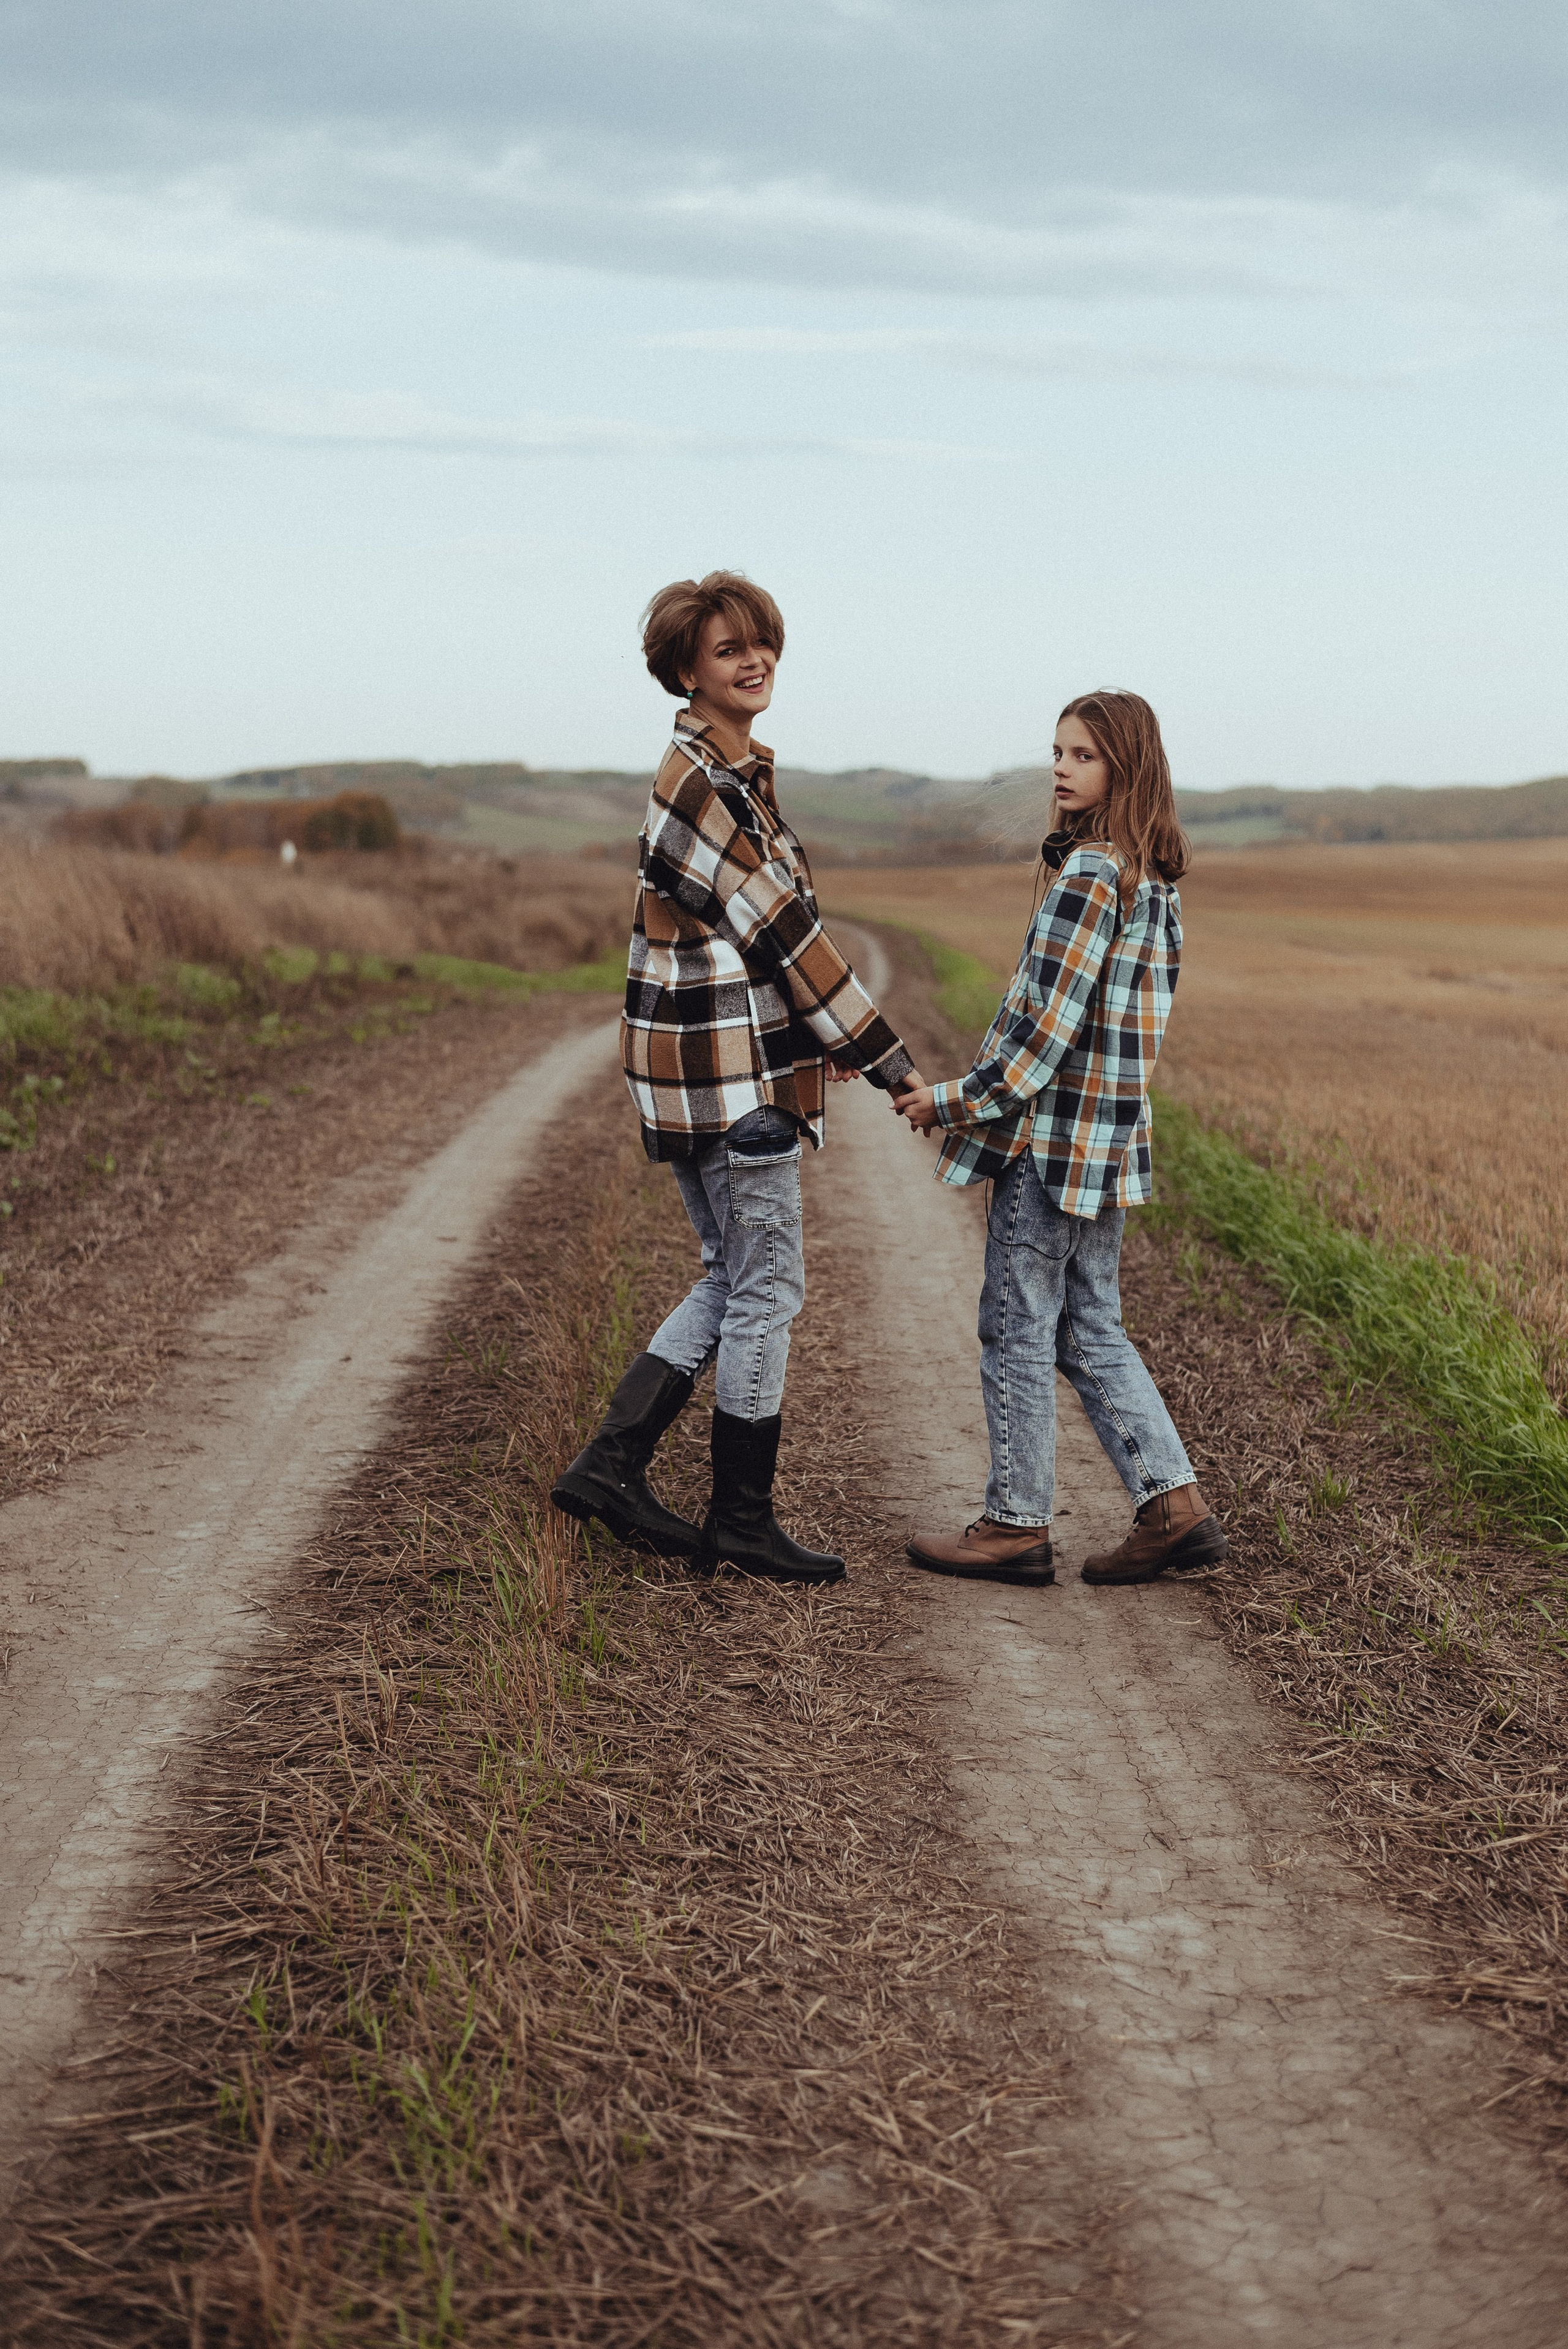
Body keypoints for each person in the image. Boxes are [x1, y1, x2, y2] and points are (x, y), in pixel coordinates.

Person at [551, 571, 921, 1588]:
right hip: (731, 1081)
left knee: (732, 1272)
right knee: (766, 1286)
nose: (754, 661)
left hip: (716, 1070)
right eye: (727, 650)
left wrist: (815, 1036)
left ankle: (611, 1465)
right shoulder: (704, 784)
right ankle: (740, 1518)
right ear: (687, 672)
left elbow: (752, 945)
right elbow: (783, 932)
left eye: (761, 642)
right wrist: (886, 1058)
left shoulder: (731, 775)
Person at [897, 690, 1229, 1588]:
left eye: (1082, 755)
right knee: (1089, 1325)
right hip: (1107, 1144)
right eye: (1057, 752)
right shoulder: (1151, 884)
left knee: (1015, 1325)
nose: (1060, 769)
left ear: (1126, 766)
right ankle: (1173, 1505)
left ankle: (1015, 1523)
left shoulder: (1090, 877)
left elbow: (1044, 1038)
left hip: (1051, 1147)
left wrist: (950, 1102)